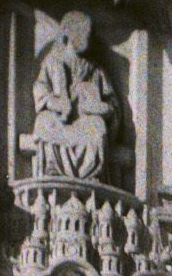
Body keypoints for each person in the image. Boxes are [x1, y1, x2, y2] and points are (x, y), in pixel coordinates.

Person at [24, 11, 118, 181]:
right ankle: (53, 170)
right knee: (44, 122)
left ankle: (89, 174)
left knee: (96, 126)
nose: (87, 35)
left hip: (84, 121)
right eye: (82, 30)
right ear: (67, 32)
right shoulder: (52, 62)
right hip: (57, 118)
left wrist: (102, 108)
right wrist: (54, 103)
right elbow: (40, 88)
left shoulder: (95, 70)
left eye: (88, 32)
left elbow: (111, 102)